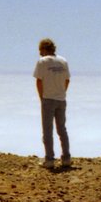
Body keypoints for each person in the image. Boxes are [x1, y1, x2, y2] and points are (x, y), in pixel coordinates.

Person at [33, 38, 72, 169]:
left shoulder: (42, 62)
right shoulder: (63, 61)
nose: (40, 53)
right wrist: (61, 92)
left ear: (44, 49)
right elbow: (67, 80)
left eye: (40, 50)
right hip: (61, 99)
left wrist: (42, 97)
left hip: (48, 99)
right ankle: (66, 158)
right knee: (62, 129)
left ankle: (49, 159)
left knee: (47, 130)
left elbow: (39, 81)